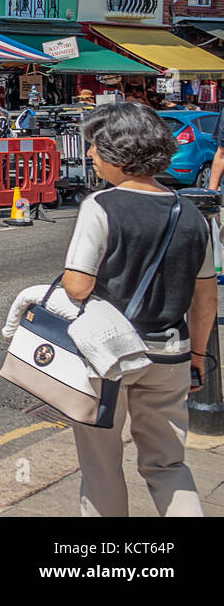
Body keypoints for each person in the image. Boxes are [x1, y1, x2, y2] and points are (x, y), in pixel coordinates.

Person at [60, 103, 215, 516]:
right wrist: (197, 358)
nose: (89, 155)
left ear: (119, 153)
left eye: (95, 147)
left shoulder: (102, 205)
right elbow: (206, 299)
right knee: (168, 464)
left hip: (109, 358)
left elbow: (77, 285)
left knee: (101, 467)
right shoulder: (193, 215)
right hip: (171, 354)